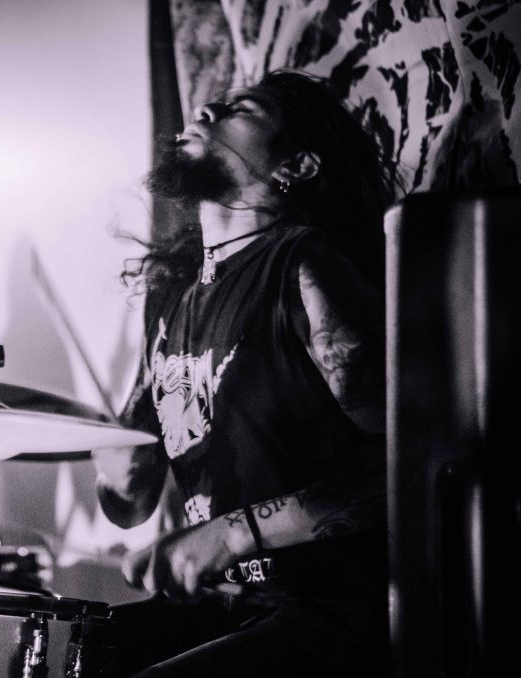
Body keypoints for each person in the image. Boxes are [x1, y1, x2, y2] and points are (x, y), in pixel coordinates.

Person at [91, 70, 400, 677]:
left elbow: (413, 461)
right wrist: (118, 479)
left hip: (335, 610)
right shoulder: (173, 300)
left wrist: (234, 534)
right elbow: (130, 504)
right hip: (228, 605)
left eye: (243, 109)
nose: (206, 109)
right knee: (68, 656)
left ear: (297, 166)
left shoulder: (305, 266)